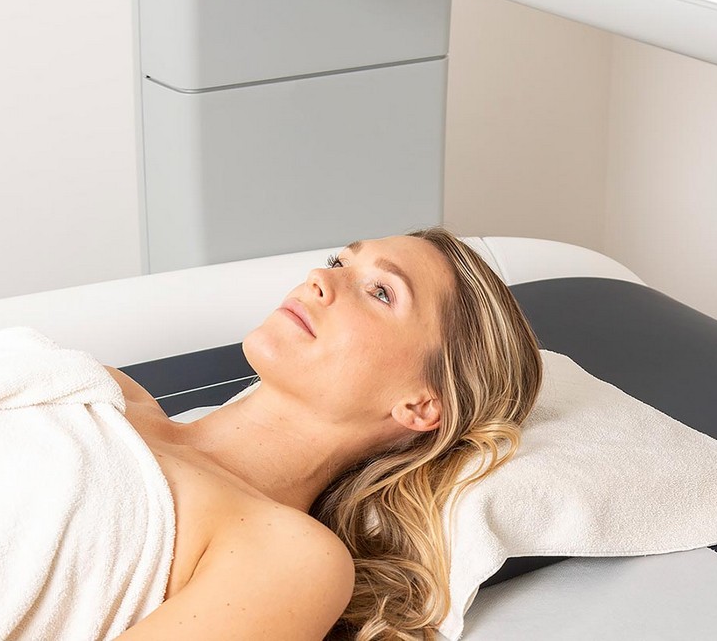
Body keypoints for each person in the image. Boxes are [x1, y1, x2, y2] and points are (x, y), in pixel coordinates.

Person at [110, 227, 543, 640]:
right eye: (339, 262)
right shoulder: (111, 389)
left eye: (381, 292)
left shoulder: (289, 559)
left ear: (421, 404)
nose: (320, 277)